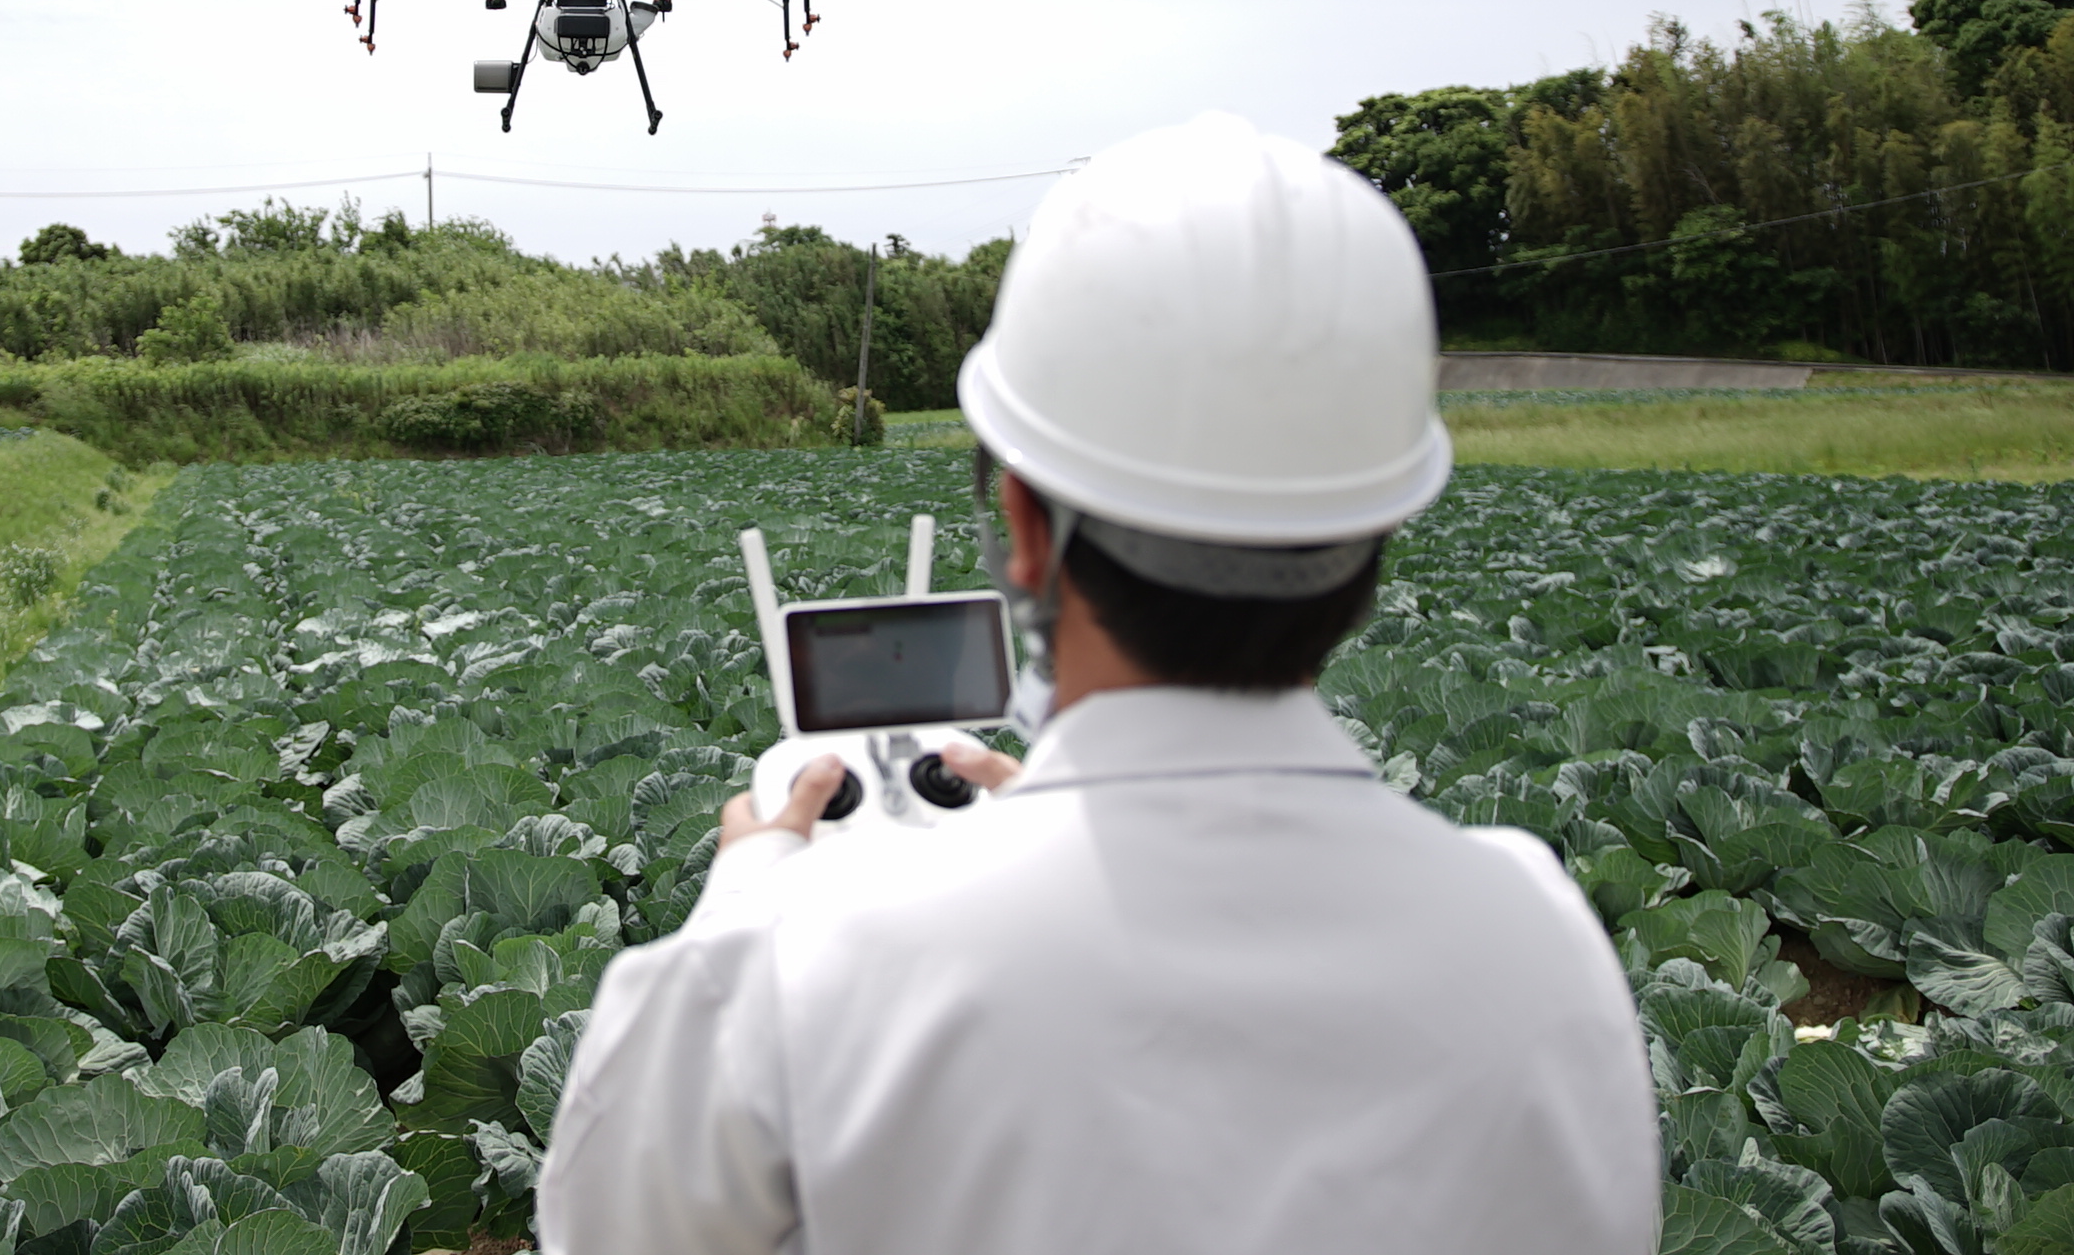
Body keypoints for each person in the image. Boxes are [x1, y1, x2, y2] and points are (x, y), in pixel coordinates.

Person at [534, 115, 1661, 1255]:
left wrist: (749, 895)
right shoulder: (1538, 934)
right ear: (1372, 539)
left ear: (1024, 525)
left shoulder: (796, 958)